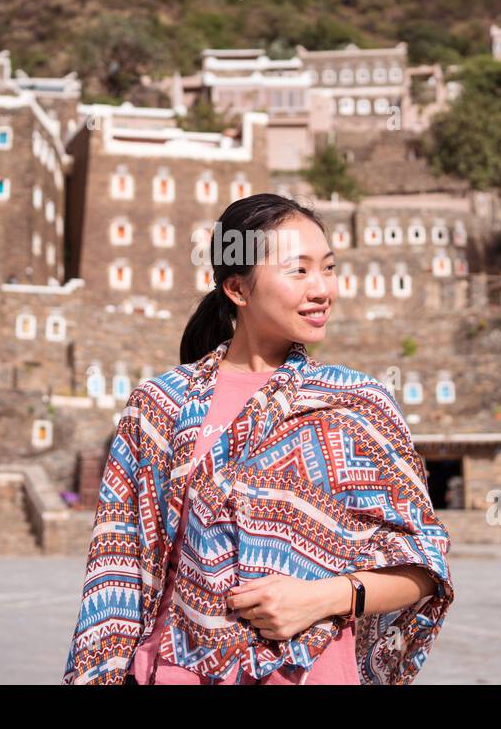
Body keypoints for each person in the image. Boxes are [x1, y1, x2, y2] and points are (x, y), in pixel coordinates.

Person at [62, 193, 455, 685]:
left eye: (328, 269)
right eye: (299, 270)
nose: (322, 290)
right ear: (238, 289)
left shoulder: (358, 405)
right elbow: (116, 565)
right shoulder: (160, 405)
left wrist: (324, 597)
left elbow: (425, 566)